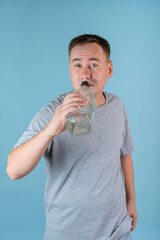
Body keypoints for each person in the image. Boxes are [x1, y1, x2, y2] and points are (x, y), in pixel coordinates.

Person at [7, 34, 137, 240]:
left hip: (116, 229)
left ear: (109, 69)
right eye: (77, 65)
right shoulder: (54, 112)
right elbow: (13, 170)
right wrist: (52, 129)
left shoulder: (117, 106)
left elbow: (124, 154)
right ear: (69, 69)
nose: (85, 73)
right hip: (67, 232)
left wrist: (131, 201)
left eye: (93, 65)